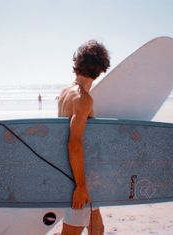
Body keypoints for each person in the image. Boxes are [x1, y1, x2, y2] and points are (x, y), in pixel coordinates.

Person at [58, 40, 110, 235]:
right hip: (77, 177)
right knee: (72, 231)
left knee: (97, 228)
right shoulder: (83, 99)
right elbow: (74, 144)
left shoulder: (65, 92)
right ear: (101, 69)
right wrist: (80, 186)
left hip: (81, 172)